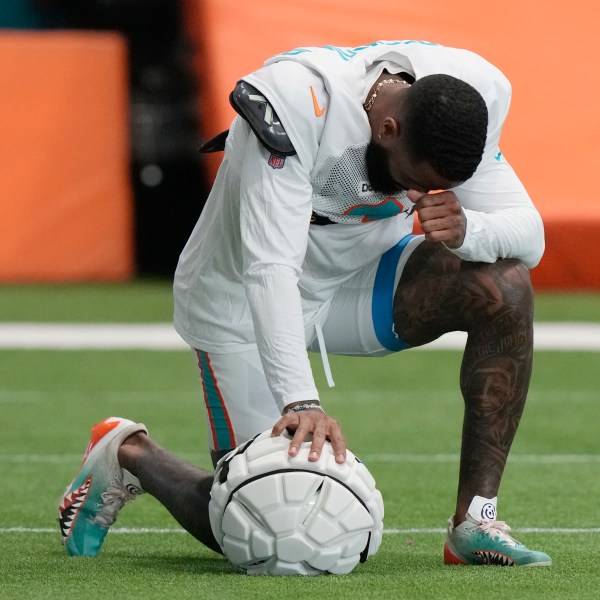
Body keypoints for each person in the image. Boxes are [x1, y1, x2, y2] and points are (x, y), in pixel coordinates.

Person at [58, 40, 552, 566]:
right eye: (415, 183)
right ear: (387, 130)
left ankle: (475, 520)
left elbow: (530, 238)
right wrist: (302, 402)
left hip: (358, 280)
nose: (416, 198)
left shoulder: (465, 95)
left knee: (506, 288)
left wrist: (468, 228)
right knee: (265, 524)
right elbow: (269, 266)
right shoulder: (296, 102)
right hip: (243, 302)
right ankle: (130, 454)